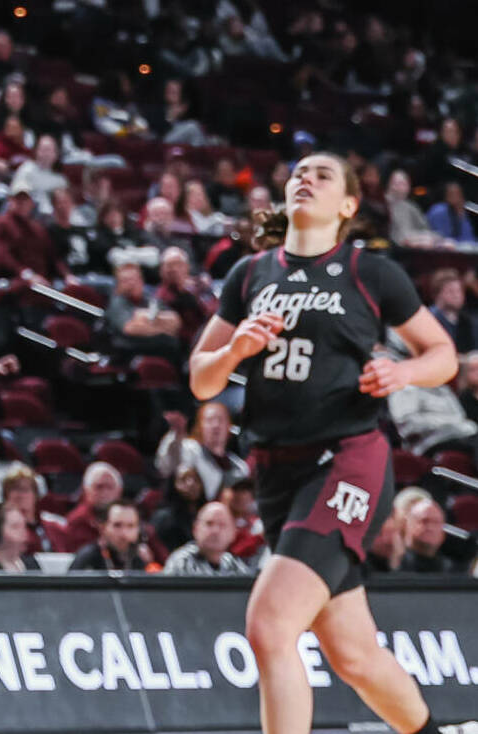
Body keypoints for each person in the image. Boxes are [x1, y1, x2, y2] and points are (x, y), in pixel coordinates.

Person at [189, 152, 455, 734]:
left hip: (347, 457)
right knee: (354, 655)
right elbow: (200, 377)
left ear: (349, 206)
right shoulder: (251, 273)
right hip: (275, 468)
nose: (304, 179)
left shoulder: (370, 271)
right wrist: (234, 353)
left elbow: (442, 355)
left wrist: (403, 373)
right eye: (298, 173)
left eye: (322, 175)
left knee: (269, 625)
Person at [164, 501, 257, 577]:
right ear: (195, 529)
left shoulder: (234, 564)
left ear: (233, 533)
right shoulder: (181, 561)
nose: (215, 530)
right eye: (209, 524)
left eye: (222, 525)